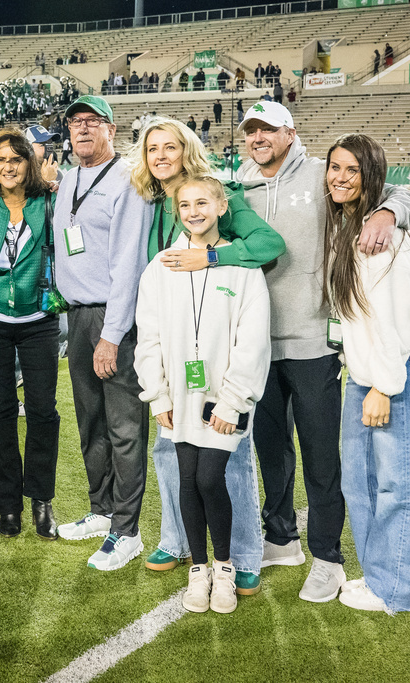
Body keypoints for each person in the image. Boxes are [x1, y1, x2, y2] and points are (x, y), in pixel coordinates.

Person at [236, 101, 410, 602]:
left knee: (321, 458)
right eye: (251, 130)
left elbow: (398, 191)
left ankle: (327, 557)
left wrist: (387, 211)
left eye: (268, 129)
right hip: (257, 343)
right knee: (270, 451)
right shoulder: (239, 185)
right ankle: (281, 537)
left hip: (315, 342)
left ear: (290, 133)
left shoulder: (322, 173)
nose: (258, 138)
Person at [128, 116, 285, 595]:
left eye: (170, 146)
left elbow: (269, 245)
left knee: (228, 463)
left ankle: (240, 554)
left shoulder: (222, 196)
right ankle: (181, 543)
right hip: (173, 355)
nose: (161, 156)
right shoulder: (152, 201)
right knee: (173, 458)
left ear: (186, 149)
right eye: (152, 148)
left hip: (219, 351)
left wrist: (212, 258)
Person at [321, 134, 410, 613]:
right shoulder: (350, 226)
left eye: (352, 170)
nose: (340, 178)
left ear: (371, 177)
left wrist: (384, 386)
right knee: (362, 482)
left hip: (392, 375)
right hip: (364, 374)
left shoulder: (380, 236)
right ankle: (379, 575)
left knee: (399, 484)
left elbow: (398, 318)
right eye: (334, 167)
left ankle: (400, 590)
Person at [50, 95, 153, 571]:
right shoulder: (68, 178)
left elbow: (128, 263)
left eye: (93, 122)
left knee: (124, 427)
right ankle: (102, 509)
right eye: (75, 122)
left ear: (113, 129)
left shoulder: (129, 181)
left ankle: (127, 530)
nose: (82, 129)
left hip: (115, 318)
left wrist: (112, 335)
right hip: (77, 316)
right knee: (90, 422)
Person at [0, 128, 61, 538]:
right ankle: (7, 506)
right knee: (1, 412)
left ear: (30, 163)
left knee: (43, 412)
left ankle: (41, 499)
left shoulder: (49, 202)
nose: (9, 167)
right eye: (1, 159)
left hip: (38, 321)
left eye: (17, 159)